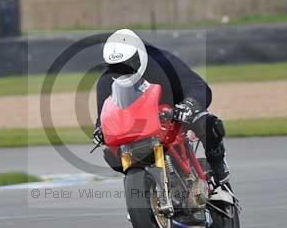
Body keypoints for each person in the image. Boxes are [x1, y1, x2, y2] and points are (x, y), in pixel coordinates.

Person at [93, 28, 231, 189]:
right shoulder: (106, 81)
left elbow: (197, 84)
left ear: (139, 54)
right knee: (111, 154)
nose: (123, 71)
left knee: (207, 123)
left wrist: (190, 104)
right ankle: (142, 186)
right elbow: (105, 114)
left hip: (175, 110)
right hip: (140, 122)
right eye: (115, 66)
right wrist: (100, 129)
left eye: (127, 64)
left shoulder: (164, 62)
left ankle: (218, 167)